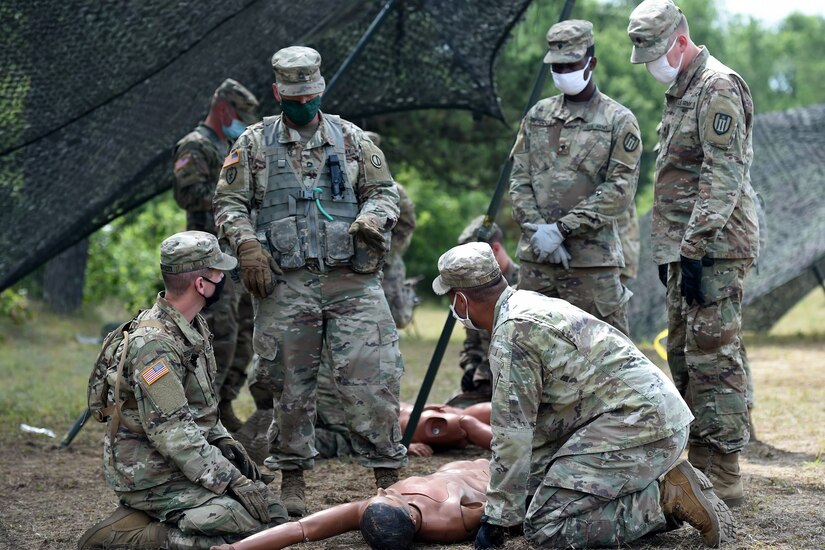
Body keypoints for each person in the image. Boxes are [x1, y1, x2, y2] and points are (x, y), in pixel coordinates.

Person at [432, 242, 736, 549]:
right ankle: (662, 488)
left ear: (461, 300)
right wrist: (523, 495)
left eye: (450, 300)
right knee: (540, 503)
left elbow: (513, 436)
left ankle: (665, 498)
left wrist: (497, 518)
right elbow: (546, 424)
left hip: (640, 427)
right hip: (655, 420)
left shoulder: (513, 334)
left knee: (546, 527)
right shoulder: (528, 304)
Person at [212, 46, 407, 518]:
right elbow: (228, 204)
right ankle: (293, 478)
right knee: (288, 384)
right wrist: (246, 245)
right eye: (293, 98)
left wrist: (371, 219)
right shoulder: (254, 144)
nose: (303, 105)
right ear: (278, 93)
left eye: (310, 96)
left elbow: (385, 192)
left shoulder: (353, 140)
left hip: (352, 281)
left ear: (320, 90)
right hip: (285, 284)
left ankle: (387, 477)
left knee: (373, 375)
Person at [628, 0, 760, 507]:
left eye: (656, 53)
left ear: (680, 41)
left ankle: (724, 468)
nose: (650, 65)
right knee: (683, 353)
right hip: (688, 247)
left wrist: (695, 248)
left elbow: (722, 175)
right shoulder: (682, 90)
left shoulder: (717, 86)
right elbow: (680, 179)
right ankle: (700, 460)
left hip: (715, 248)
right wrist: (672, 251)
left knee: (715, 357)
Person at [79, 231, 286, 550]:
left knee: (273, 516)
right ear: (201, 284)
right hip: (147, 470)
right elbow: (173, 433)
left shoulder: (192, 327)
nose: (224, 278)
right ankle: (130, 536)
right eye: (217, 271)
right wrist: (230, 480)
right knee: (243, 529)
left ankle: (155, 516)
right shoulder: (155, 347)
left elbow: (202, 412)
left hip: (182, 458)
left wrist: (232, 455)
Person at [510, 20, 641, 336]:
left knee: (603, 363)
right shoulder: (537, 116)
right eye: (557, 65)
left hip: (591, 267)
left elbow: (619, 190)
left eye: (571, 63)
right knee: (529, 359)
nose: (563, 70)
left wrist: (561, 229)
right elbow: (519, 179)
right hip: (537, 262)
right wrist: (539, 231)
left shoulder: (618, 120)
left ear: (591, 62)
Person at [172, 78, 260, 431]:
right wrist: (233, 196)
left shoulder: (229, 145)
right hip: (207, 257)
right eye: (239, 115)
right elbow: (188, 194)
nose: (242, 123)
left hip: (235, 254)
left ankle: (223, 405)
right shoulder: (195, 145)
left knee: (244, 335)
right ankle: (203, 412)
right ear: (224, 109)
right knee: (218, 335)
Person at [209, 459, 490, 550]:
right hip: (493, 470)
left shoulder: (375, 511)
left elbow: (302, 529)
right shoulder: (450, 520)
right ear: (410, 520)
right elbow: (500, 508)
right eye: (385, 495)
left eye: (380, 495)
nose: (381, 489)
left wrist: (236, 548)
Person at [449, 216, 519, 406]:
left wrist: (483, 373)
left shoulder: (526, 287)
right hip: (484, 386)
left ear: (495, 249)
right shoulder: (473, 289)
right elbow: (472, 342)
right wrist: (471, 366)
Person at [364, 131, 420, 329]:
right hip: (356, 262)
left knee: (397, 317)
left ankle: (408, 295)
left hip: (387, 262)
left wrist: (391, 249)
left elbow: (408, 223)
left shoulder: (394, 189)